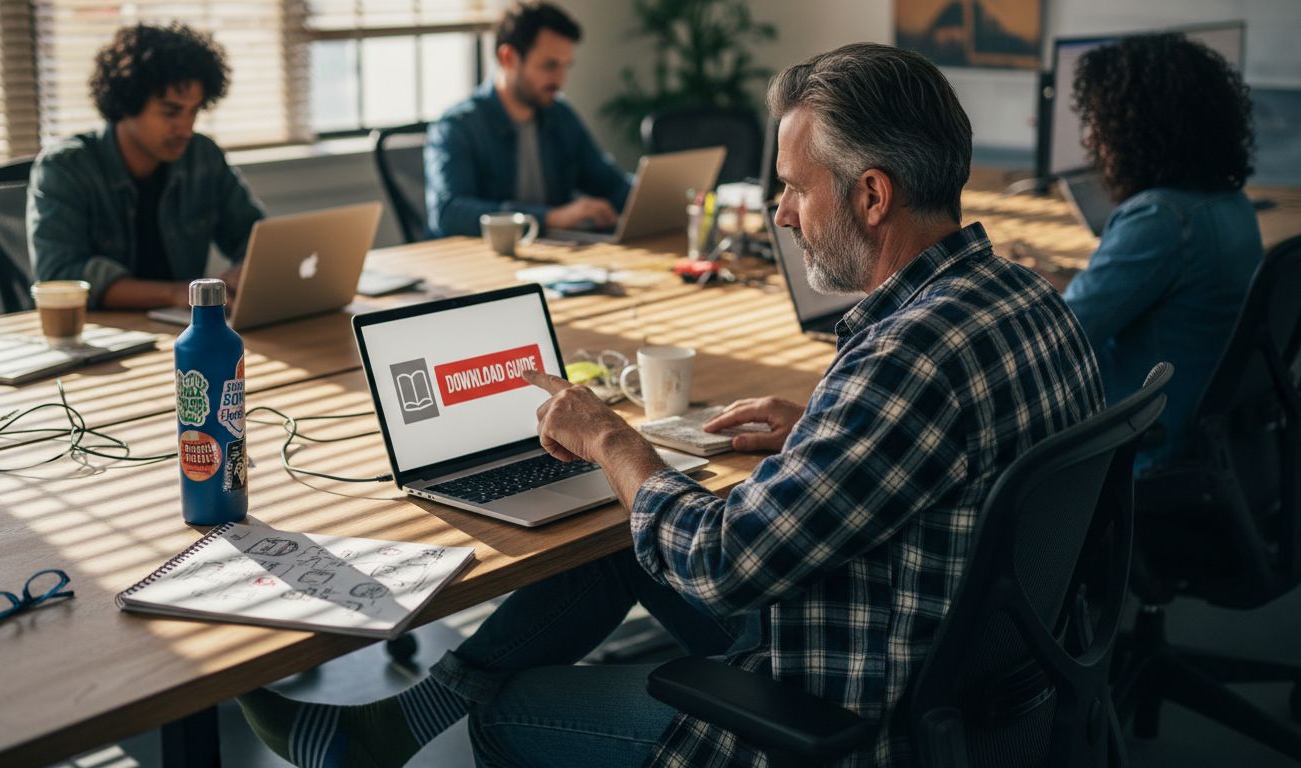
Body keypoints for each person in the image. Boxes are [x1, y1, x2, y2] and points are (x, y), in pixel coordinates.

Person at [238, 43, 1104, 767]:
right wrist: (819, 433)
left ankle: (431, 720)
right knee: (624, 545)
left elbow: (724, 561)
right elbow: (963, 455)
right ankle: (394, 724)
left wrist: (613, 440)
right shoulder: (1028, 303)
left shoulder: (905, 357)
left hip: (848, 713)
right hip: (974, 675)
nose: (783, 215)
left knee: (513, 704)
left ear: (872, 195)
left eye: (798, 188)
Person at [1017, 33, 1260, 472]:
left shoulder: (1159, 220)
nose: (1094, 142)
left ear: (1136, 132)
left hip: (1140, 440)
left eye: (1101, 123)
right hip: (1205, 431)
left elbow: (1061, 338)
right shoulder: (1230, 204)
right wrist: (1059, 281)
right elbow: (1145, 300)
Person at [28, 22, 265, 310]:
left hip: (181, 330)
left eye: (193, 111)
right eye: (170, 112)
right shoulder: (65, 168)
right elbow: (60, 275)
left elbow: (254, 239)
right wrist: (174, 293)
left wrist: (248, 268)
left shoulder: (202, 156)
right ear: (126, 104)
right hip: (101, 335)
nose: (186, 129)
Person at [424, 1, 633, 238]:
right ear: (508, 58)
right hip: (481, 264)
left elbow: (610, 184)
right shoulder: (457, 127)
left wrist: (656, 196)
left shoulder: (560, 116)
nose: (560, 79)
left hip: (555, 261)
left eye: (566, 66)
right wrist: (550, 218)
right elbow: (449, 213)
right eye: (550, 65)